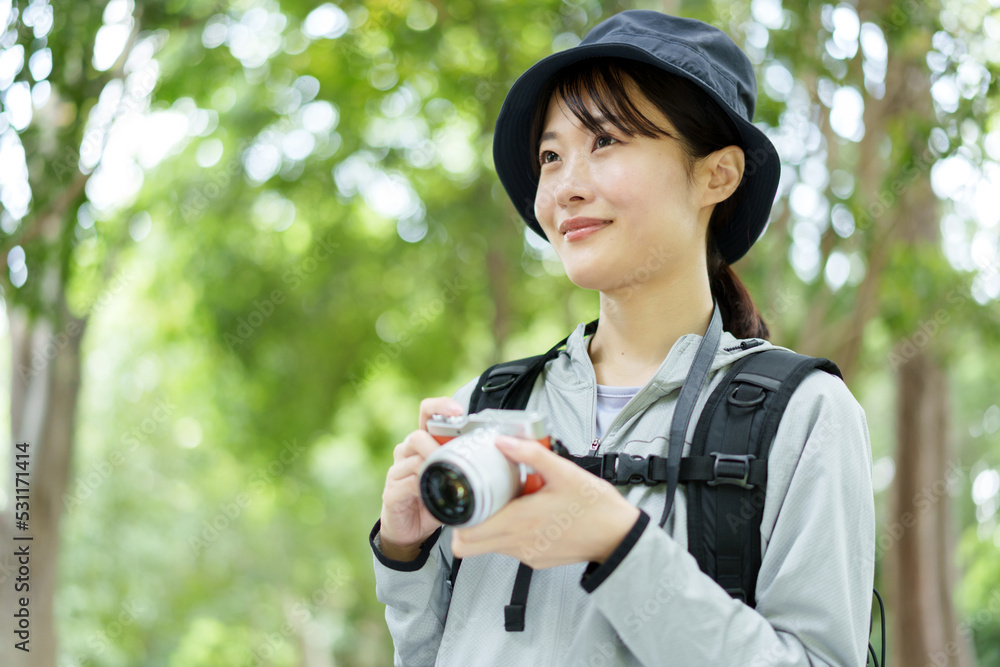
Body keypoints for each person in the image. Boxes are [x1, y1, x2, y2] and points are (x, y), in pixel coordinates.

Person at [370, 9, 875, 666]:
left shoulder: (803, 415)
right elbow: (432, 652)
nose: (566, 187)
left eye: (604, 141)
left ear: (716, 175)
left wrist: (618, 543)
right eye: (551, 155)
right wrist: (403, 552)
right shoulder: (490, 406)